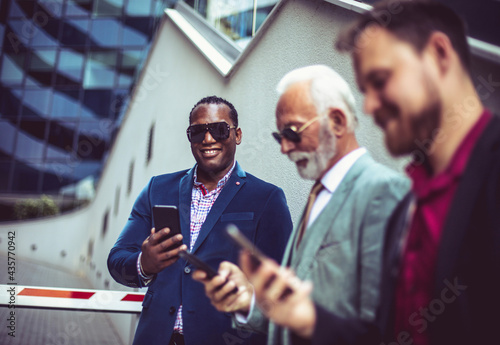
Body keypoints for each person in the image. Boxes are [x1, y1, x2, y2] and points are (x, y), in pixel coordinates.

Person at [239, 1, 500, 345]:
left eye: (381, 80)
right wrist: (305, 315)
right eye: (364, 90)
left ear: (438, 54)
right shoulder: (414, 203)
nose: (368, 106)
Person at [193, 66, 408, 345]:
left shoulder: (382, 190)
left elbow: (381, 324)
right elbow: (294, 312)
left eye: (292, 133)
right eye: (278, 137)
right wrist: (248, 300)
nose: (284, 148)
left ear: (338, 122)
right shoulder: (319, 195)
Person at [107, 96, 293, 345]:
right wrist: (144, 264)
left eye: (219, 129)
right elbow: (117, 260)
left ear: (237, 135)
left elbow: (280, 290)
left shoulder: (267, 199)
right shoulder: (157, 189)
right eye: (197, 132)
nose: (207, 139)